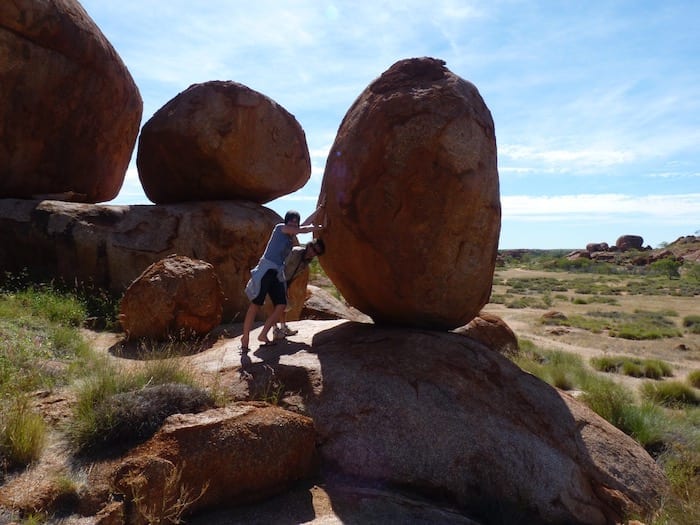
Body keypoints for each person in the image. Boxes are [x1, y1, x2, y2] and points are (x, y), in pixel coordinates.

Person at [240, 208, 323, 352]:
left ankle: (263, 334)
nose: (293, 225)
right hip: (266, 270)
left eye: (295, 223)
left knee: (281, 304)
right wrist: (318, 227)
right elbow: (302, 229)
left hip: (277, 273)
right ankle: (245, 338)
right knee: (255, 304)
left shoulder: (291, 236)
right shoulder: (280, 228)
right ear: (286, 222)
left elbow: (303, 226)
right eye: (291, 222)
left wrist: (319, 210)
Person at [273, 238, 326, 339]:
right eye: (313, 249)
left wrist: (287, 285)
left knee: (284, 305)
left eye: (317, 253)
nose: (313, 253)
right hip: (278, 278)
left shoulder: (306, 261)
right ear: (309, 246)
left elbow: (295, 273)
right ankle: (275, 330)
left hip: (286, 281)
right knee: (278, 305)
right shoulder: (296, 252)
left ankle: (283, 328)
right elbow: (282, 264)